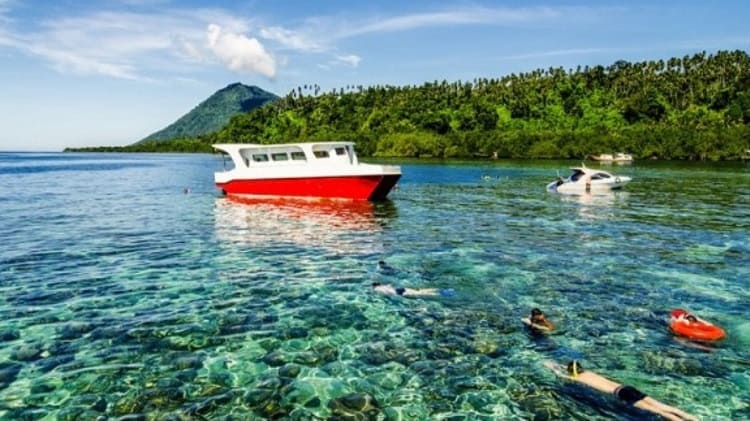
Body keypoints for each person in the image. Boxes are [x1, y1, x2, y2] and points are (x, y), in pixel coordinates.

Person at [547, 360, 697, 421]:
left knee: (657, 412)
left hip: (621, 394)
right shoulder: (589, 373)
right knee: (661, 406)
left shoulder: (576, 379)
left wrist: (549, 364)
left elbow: (558, 372)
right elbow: (571, 369)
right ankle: (690, 417)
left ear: (571, 372)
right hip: (626, 387)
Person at [371, 282, 453, 297]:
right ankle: (440, 289)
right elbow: (389, 286)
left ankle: (441, 294)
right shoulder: (383, 285)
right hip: (400, 289)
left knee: (420, 294)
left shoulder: (377, 289)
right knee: (419, 291)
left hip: (398, 293)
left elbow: (387, 293)